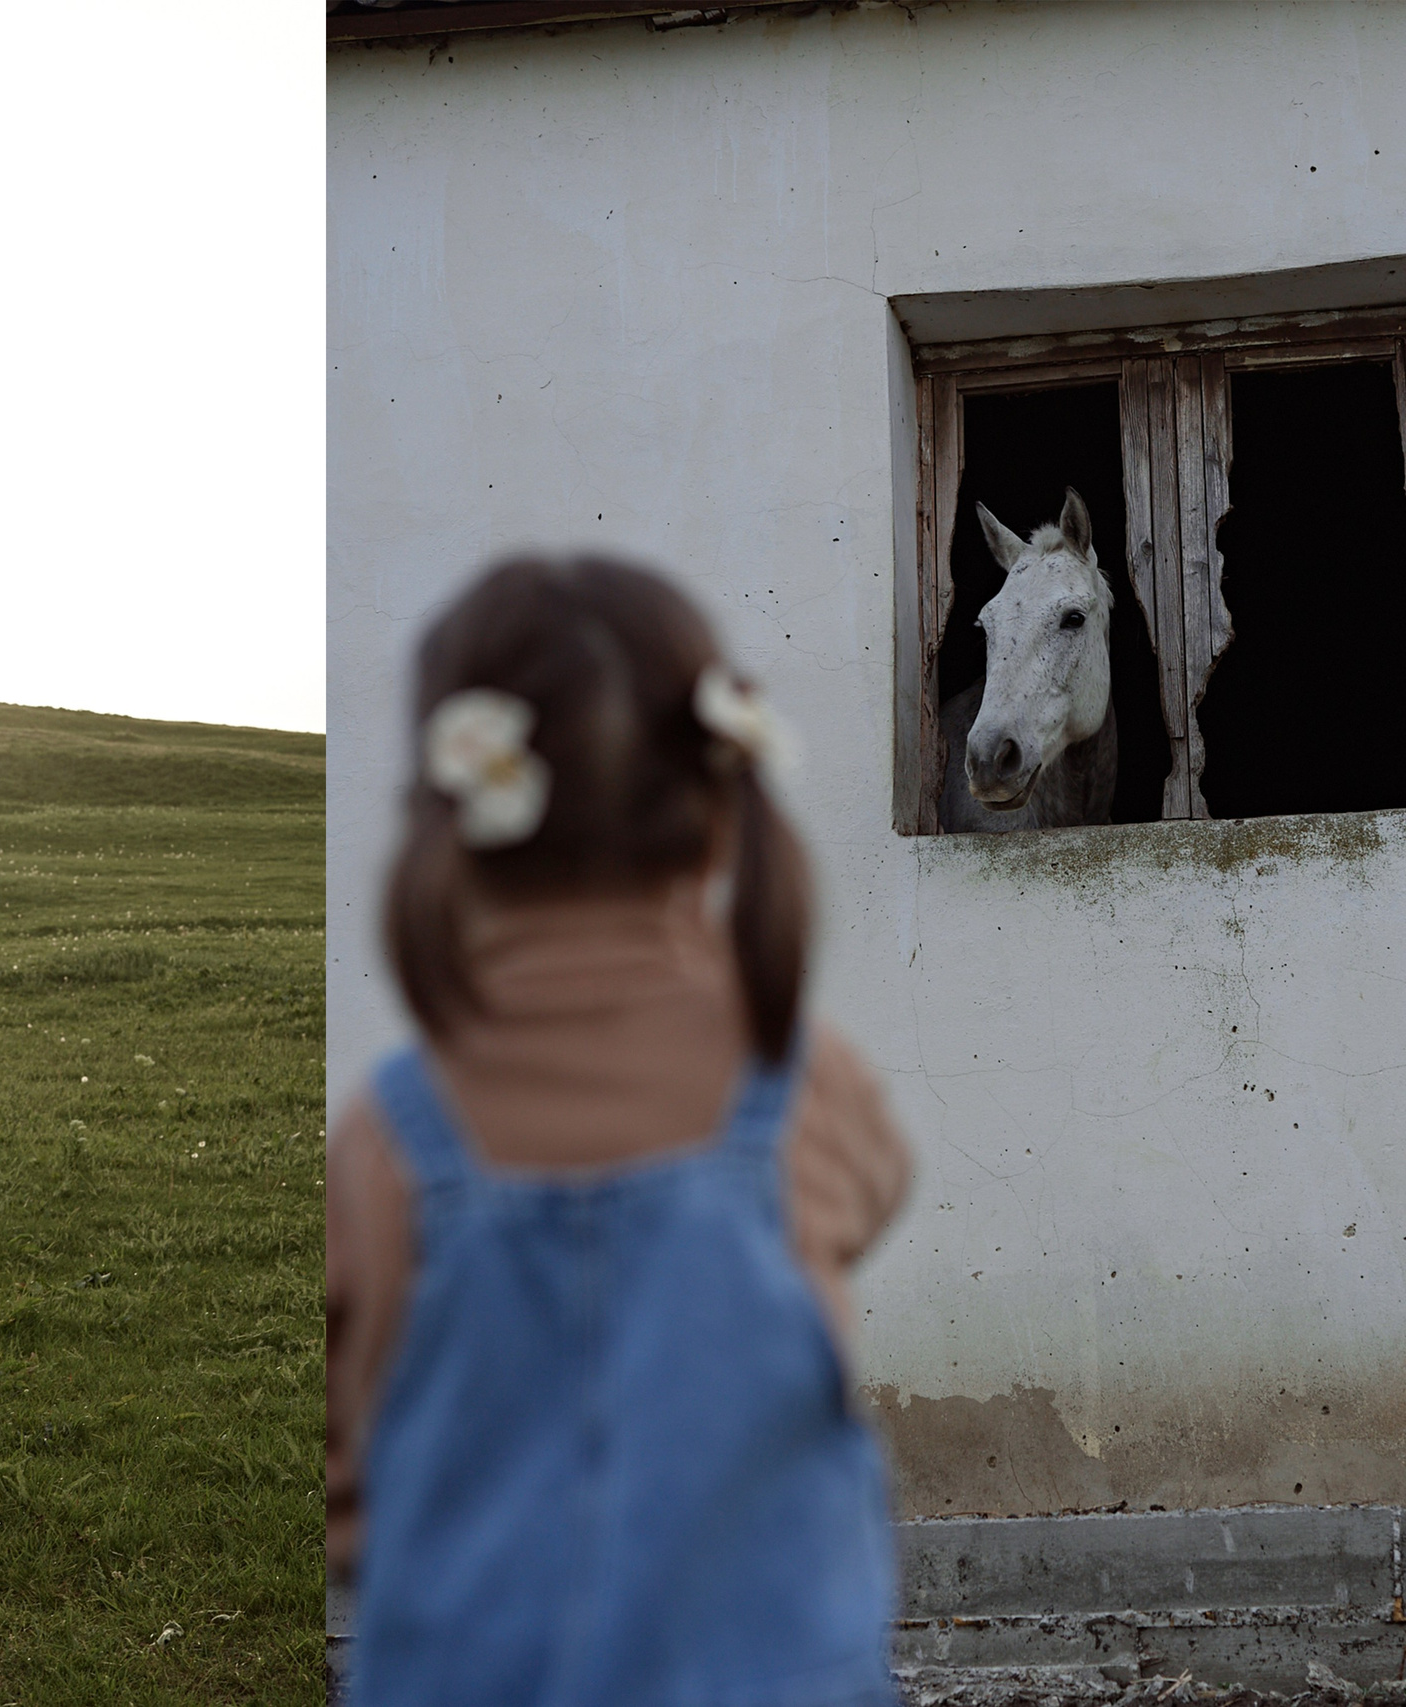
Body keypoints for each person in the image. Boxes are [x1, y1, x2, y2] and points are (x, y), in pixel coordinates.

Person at [325, 557, 914, 1707]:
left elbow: (357, 1455)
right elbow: (874, 1193)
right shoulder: (801, 1087)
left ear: (454, 821)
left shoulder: (391, 1136)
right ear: (716, 806)